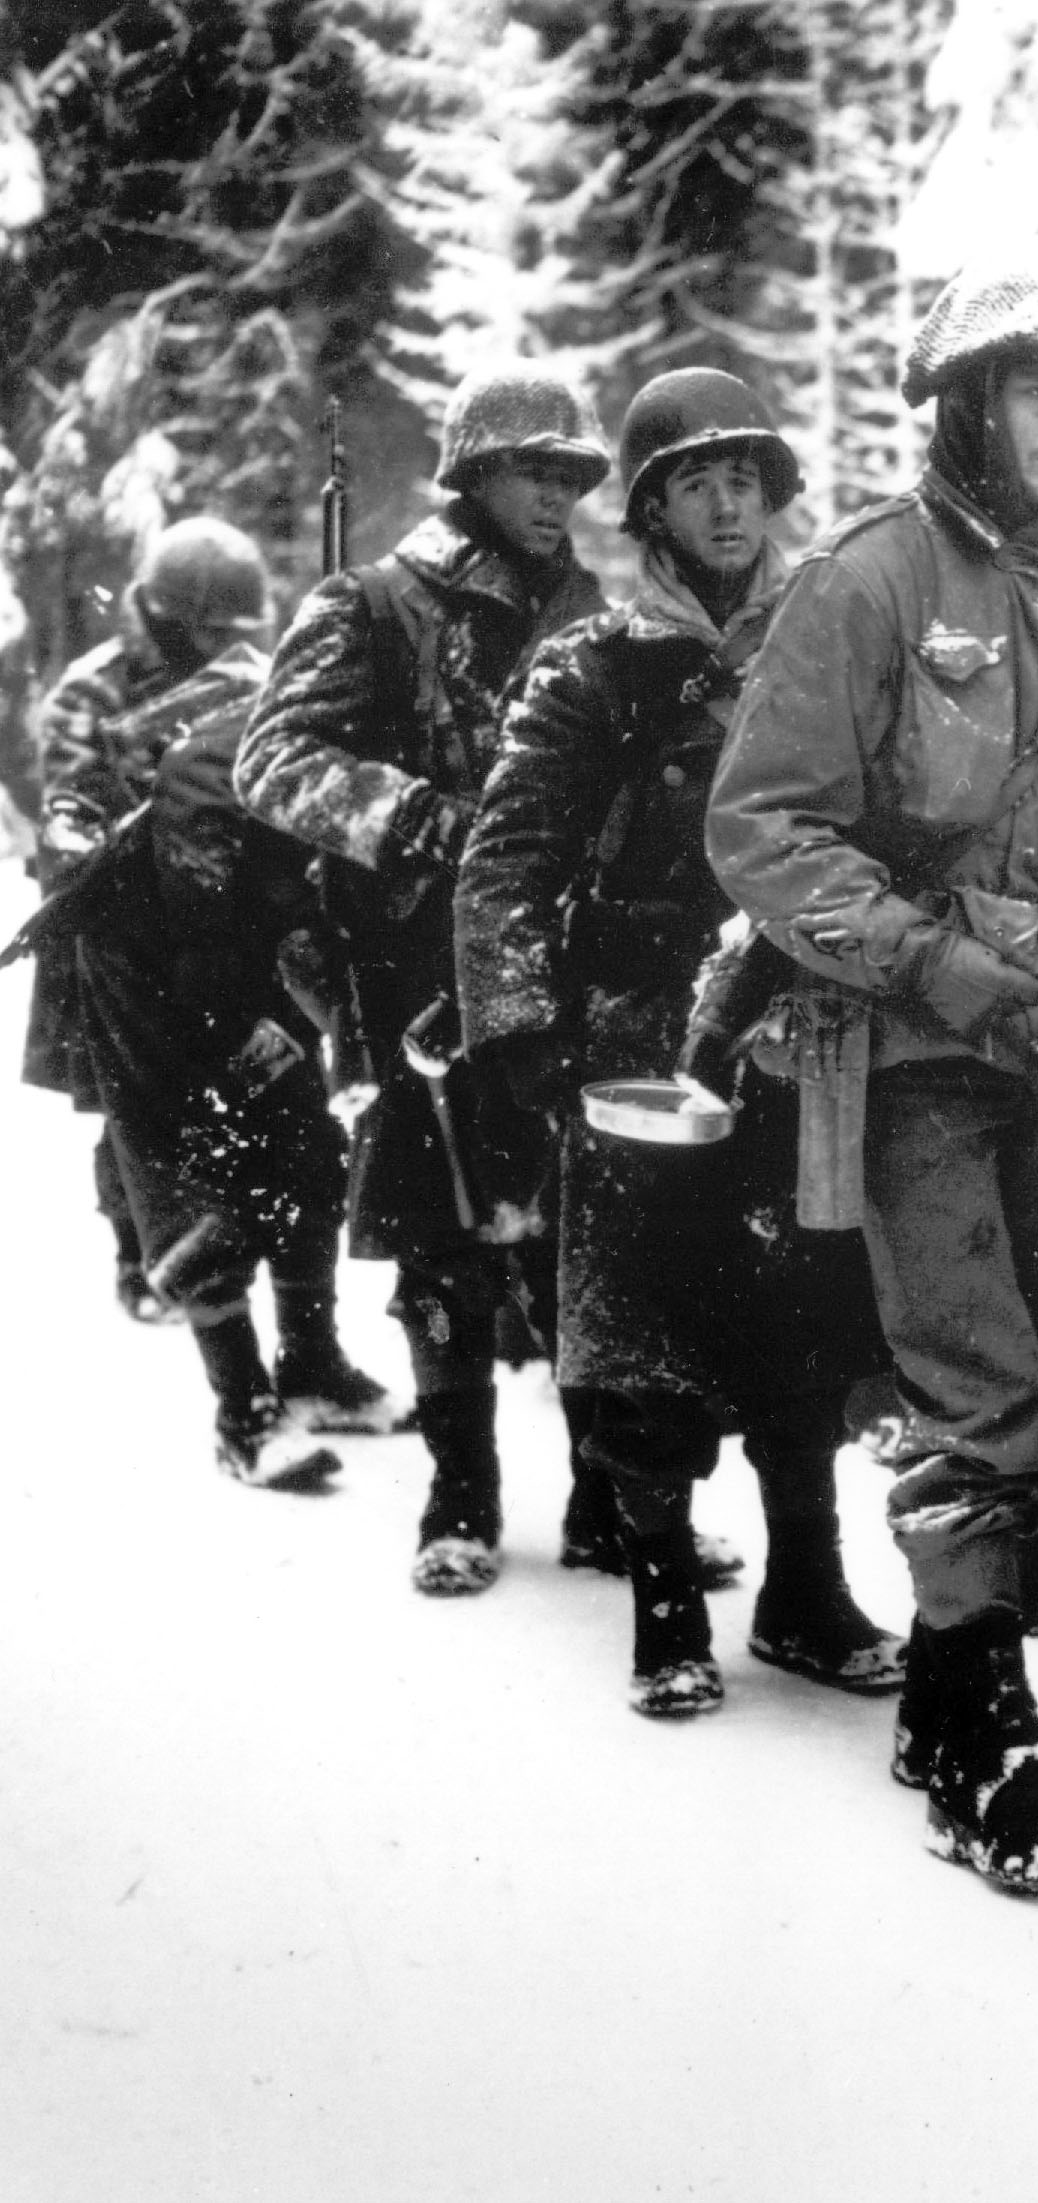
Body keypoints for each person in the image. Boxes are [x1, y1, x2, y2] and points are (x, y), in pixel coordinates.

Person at [708, 257, 1038, 1894]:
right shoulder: (865, 581)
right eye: (1036, 392)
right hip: (907, 1038)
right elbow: (763, 825)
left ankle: (947, 1689)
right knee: (971, 1378)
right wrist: (927, 956)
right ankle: (979, 1729)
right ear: (964, 400)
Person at [455, 369, 902, 1719]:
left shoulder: (828, 641)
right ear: (648, 512)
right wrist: (522, 1027)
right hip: (641, 1037)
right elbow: (508, 856)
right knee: (641, 1323)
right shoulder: (590, 664)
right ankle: (662, 1603)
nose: (727, 501)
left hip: (801, 1023)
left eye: (746, 477)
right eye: (694, 481)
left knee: (804, 1313)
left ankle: (807, 1591)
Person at [237, 369, 616, 1598]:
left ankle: (612, 1503)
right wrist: (427, 824)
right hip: (418, 977)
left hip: (569, 973)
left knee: (586, 1242)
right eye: (534, 472)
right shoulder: (374, 605)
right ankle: (460, 1497)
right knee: (447, 1248)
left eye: (571, 475)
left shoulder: (597, 613)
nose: (556, 496)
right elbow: (273, 761)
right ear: (473, 475)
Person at [44, 521, 388, 1482]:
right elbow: (71, 830)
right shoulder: (98, 692)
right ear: (157, 610)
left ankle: (312, 1363)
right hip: (140, 959)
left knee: (302, 1147)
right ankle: (243, 1412)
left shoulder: (275, 689)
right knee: (181, 1169)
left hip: (241, 946)